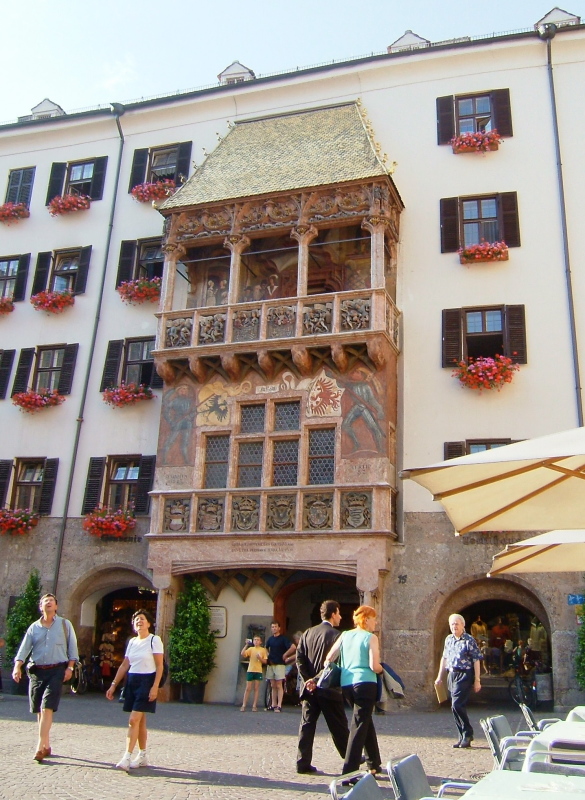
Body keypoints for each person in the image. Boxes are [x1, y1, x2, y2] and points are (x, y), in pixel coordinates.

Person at [12, 593, 79, 762]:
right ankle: (47, 745)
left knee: (47, 707)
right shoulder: (34, 627)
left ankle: (39, 746)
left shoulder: (65, 624)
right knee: (39, 710)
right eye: (45, 601)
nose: (48, 603)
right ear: (40, 607)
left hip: (57, 670)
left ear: (56, 606)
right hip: (37, 671)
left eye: (51, 601)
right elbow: (24, 648)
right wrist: (17, 666)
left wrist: (70, 667)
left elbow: (73, 648)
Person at [325, 604, 383, 777]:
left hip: (347, 684)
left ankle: (373, 762)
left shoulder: (345, 635)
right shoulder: (371, 637)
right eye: (374, 619)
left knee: (364, 720)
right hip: (365, 684)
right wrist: (383, 670)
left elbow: (329, 658)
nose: (375, 623)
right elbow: (373, 665)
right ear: (366, 619)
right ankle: (349, 771)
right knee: (359, 725)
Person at [105, 608, 164, 770]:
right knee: (140, 720)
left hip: (147, 681)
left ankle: (127, 757)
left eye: (142, 619)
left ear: (149, 623)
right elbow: (125, 665)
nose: (139, 621)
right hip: (132, 681)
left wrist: (155, 687)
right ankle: (143, 755)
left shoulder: (154, 640)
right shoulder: (132, 642)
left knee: (133, 720)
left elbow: (160, 666)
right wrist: (113, 684)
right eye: (136, 619)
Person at [295, 600, 350, 775]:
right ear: (333, 614)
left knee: (307, 725)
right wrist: (316, 679)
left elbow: (299, 659)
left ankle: (302, 763)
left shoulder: (307, 633)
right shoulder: (337, 636)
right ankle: (350, 759)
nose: (340, 617)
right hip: (328, 688)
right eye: (339, 613)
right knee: (339, 726)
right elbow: (335, 663)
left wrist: (307, 680)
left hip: (309, 690)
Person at [435, 613, 482, 748]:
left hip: (464, 674)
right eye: (452, 624)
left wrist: (477, 680)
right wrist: (439, 676)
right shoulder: (449, 639)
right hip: (452, 674)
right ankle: (462, 735)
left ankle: (468, 733)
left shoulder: (469, 640)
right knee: (454, 706)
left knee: (457, 704)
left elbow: (476, 660)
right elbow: (444, 658)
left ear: (463, 625)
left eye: (456, 624)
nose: (454, 626)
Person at [264, 621, 292, 713]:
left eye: (275, 627)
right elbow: (265, 647)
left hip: (280, 664)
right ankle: (273, 704)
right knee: (273, 685)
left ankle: (279, 705)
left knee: (279, 685)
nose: (274, 628)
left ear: (279, 628)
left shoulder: (283, 639)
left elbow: (293, 647)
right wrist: (267, 654)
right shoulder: (270, 639)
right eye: (272, 627)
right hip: (271, 664)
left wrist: (285, 654)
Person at [240, 635, 268, 711]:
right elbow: (243, 653)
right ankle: (244, 705)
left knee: (256, 688)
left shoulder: (263, 650)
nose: (256, 641)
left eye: (258, 640)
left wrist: (260, 658)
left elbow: (265, 661)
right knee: (248, 688)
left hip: (258, 670)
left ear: (260, 642)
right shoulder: (251, 649)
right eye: (255, 640)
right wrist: (246, 645)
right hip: (250, 670)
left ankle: (254, 705)